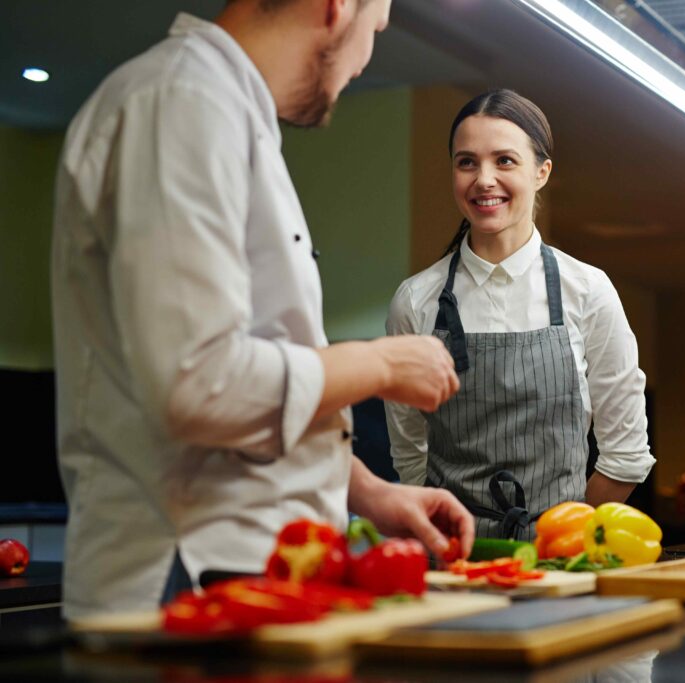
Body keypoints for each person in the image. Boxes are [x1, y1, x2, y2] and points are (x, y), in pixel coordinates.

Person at [50, 0, 472, 619]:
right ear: (336, 8)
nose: (364, 59)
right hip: (185, 572)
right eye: (374, 30)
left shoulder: (223, 110)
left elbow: (251, 393)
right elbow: (199, 383)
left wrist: (370, 492)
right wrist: (379, 363)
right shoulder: (183, 102)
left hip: (244, 564)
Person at [385, 90, 654, 540]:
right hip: (451, 561)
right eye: (466, 162)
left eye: (505, 161)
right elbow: (410, 454)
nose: (483, 179)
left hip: (560, 562)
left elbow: (626, 455)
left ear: (542, 172)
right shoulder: (416, 301)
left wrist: (564, 537)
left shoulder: (588, 292)